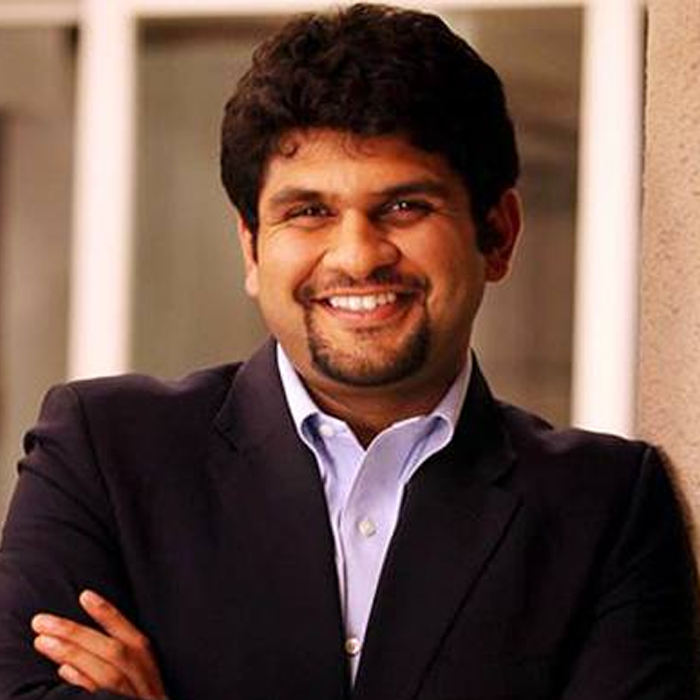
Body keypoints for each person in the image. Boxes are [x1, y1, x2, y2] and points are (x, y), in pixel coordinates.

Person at [0, 4, 697, 699]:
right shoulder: (103, 454)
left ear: (497, 234)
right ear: (252, 248)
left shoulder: (605, 508)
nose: (358, 256)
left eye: (405, 207)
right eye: (309, 212)